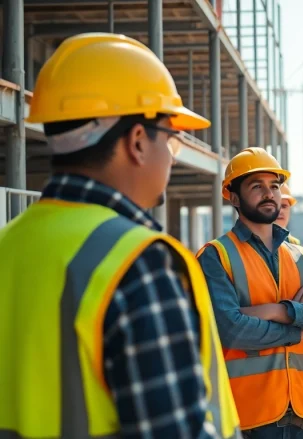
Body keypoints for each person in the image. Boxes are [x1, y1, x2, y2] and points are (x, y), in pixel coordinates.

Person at [0, 33, 240, 438]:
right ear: (138, 141)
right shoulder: (138, 262)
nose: (170, 157)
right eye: (172, 140)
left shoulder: (9, 243)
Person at [196, 147, 303, 439]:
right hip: (245, 412)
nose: (269, 193)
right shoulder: (215, 256)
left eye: (274, 186)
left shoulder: (300, 257)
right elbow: (232, 330)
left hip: (297, 409)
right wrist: (297, 331)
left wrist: (280, 310)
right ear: (233, 197)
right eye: (256, 186)